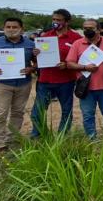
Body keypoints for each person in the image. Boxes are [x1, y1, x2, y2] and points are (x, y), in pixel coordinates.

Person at [0, 17, 36, 151]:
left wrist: (32, 69)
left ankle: (12, 138)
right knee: (0, 113)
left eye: (14, 27)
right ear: (3, 28)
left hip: (23, 83)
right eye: (8, 27)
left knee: (18, 112)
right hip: (2, 83)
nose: (11, 30)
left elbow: (37, 62)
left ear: (21, 29)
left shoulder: (30, 44)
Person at [66, 19, 103, 138]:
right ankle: (92, 139)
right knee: (88, 116)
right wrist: (85, 67)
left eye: (91, 28)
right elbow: (69, 63)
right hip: (86, 88)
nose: (87, 30)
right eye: (85, 28)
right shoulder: (77, 44)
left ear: (98, 29)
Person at [30, 9, 82, 137]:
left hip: (66, 81)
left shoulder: (76, 38)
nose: (55, 22)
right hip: (45, 80)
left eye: (58, 20)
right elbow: (37, 60)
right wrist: (35, 54)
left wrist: (67, 64)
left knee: (66, 111)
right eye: (54, 19)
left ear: (67, 21)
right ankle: (38, 135)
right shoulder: (45, 37)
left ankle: (62, 136)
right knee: (37, 112)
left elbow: (80, 58)